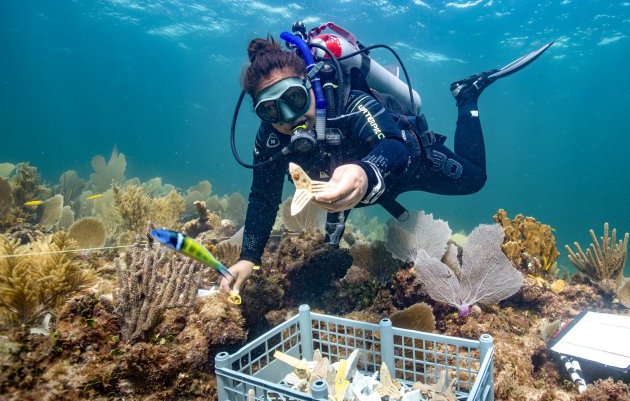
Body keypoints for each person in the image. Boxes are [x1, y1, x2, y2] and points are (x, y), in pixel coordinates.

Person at [221, 24, 552, 295]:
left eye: (294, 98)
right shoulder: (270, 137)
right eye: (271, 109)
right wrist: (248, 257)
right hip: (349, 188)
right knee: (331, 244)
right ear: (259, 112)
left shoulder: (349, 102)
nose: (288, 118)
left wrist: (365, 171)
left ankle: (467, 96)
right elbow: (262, 197)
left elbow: (392, 144)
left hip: (403, 167)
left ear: (310, 85)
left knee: (474, 179)